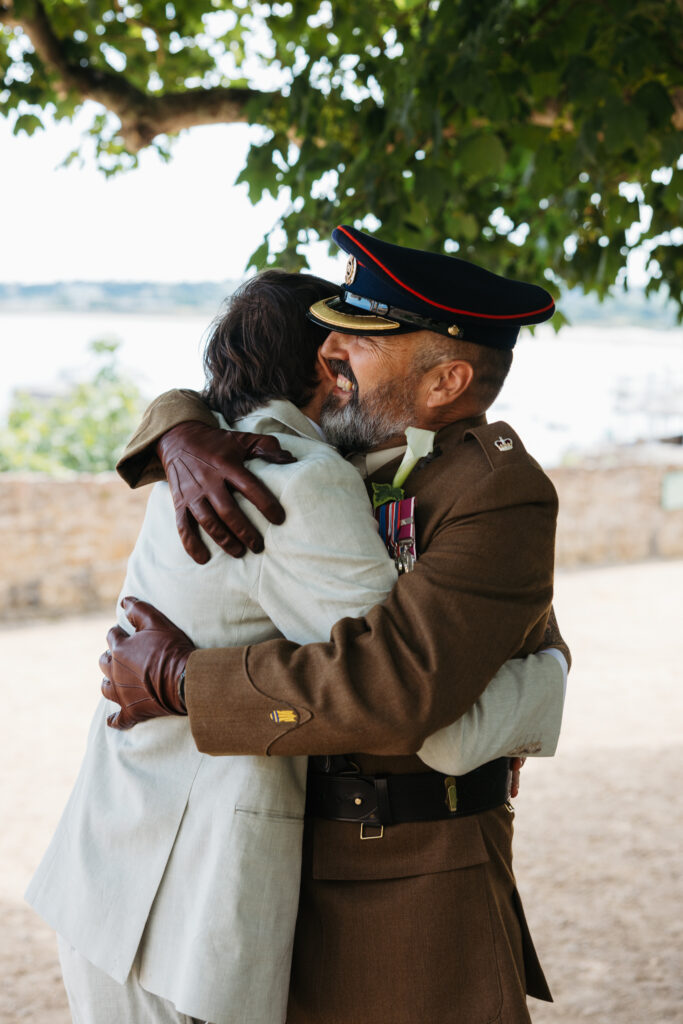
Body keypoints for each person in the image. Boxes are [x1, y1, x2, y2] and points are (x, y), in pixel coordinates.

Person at [26, 268, 566, 1024]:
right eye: (332, 344)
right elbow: (227, 398)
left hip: (412, 863)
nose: (339, 357)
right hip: (243, 867)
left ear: (446, 380)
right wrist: (177, 429)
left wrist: (183, 680)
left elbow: (404, 698)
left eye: (362, 343)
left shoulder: (488, 488)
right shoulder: (291, 460)